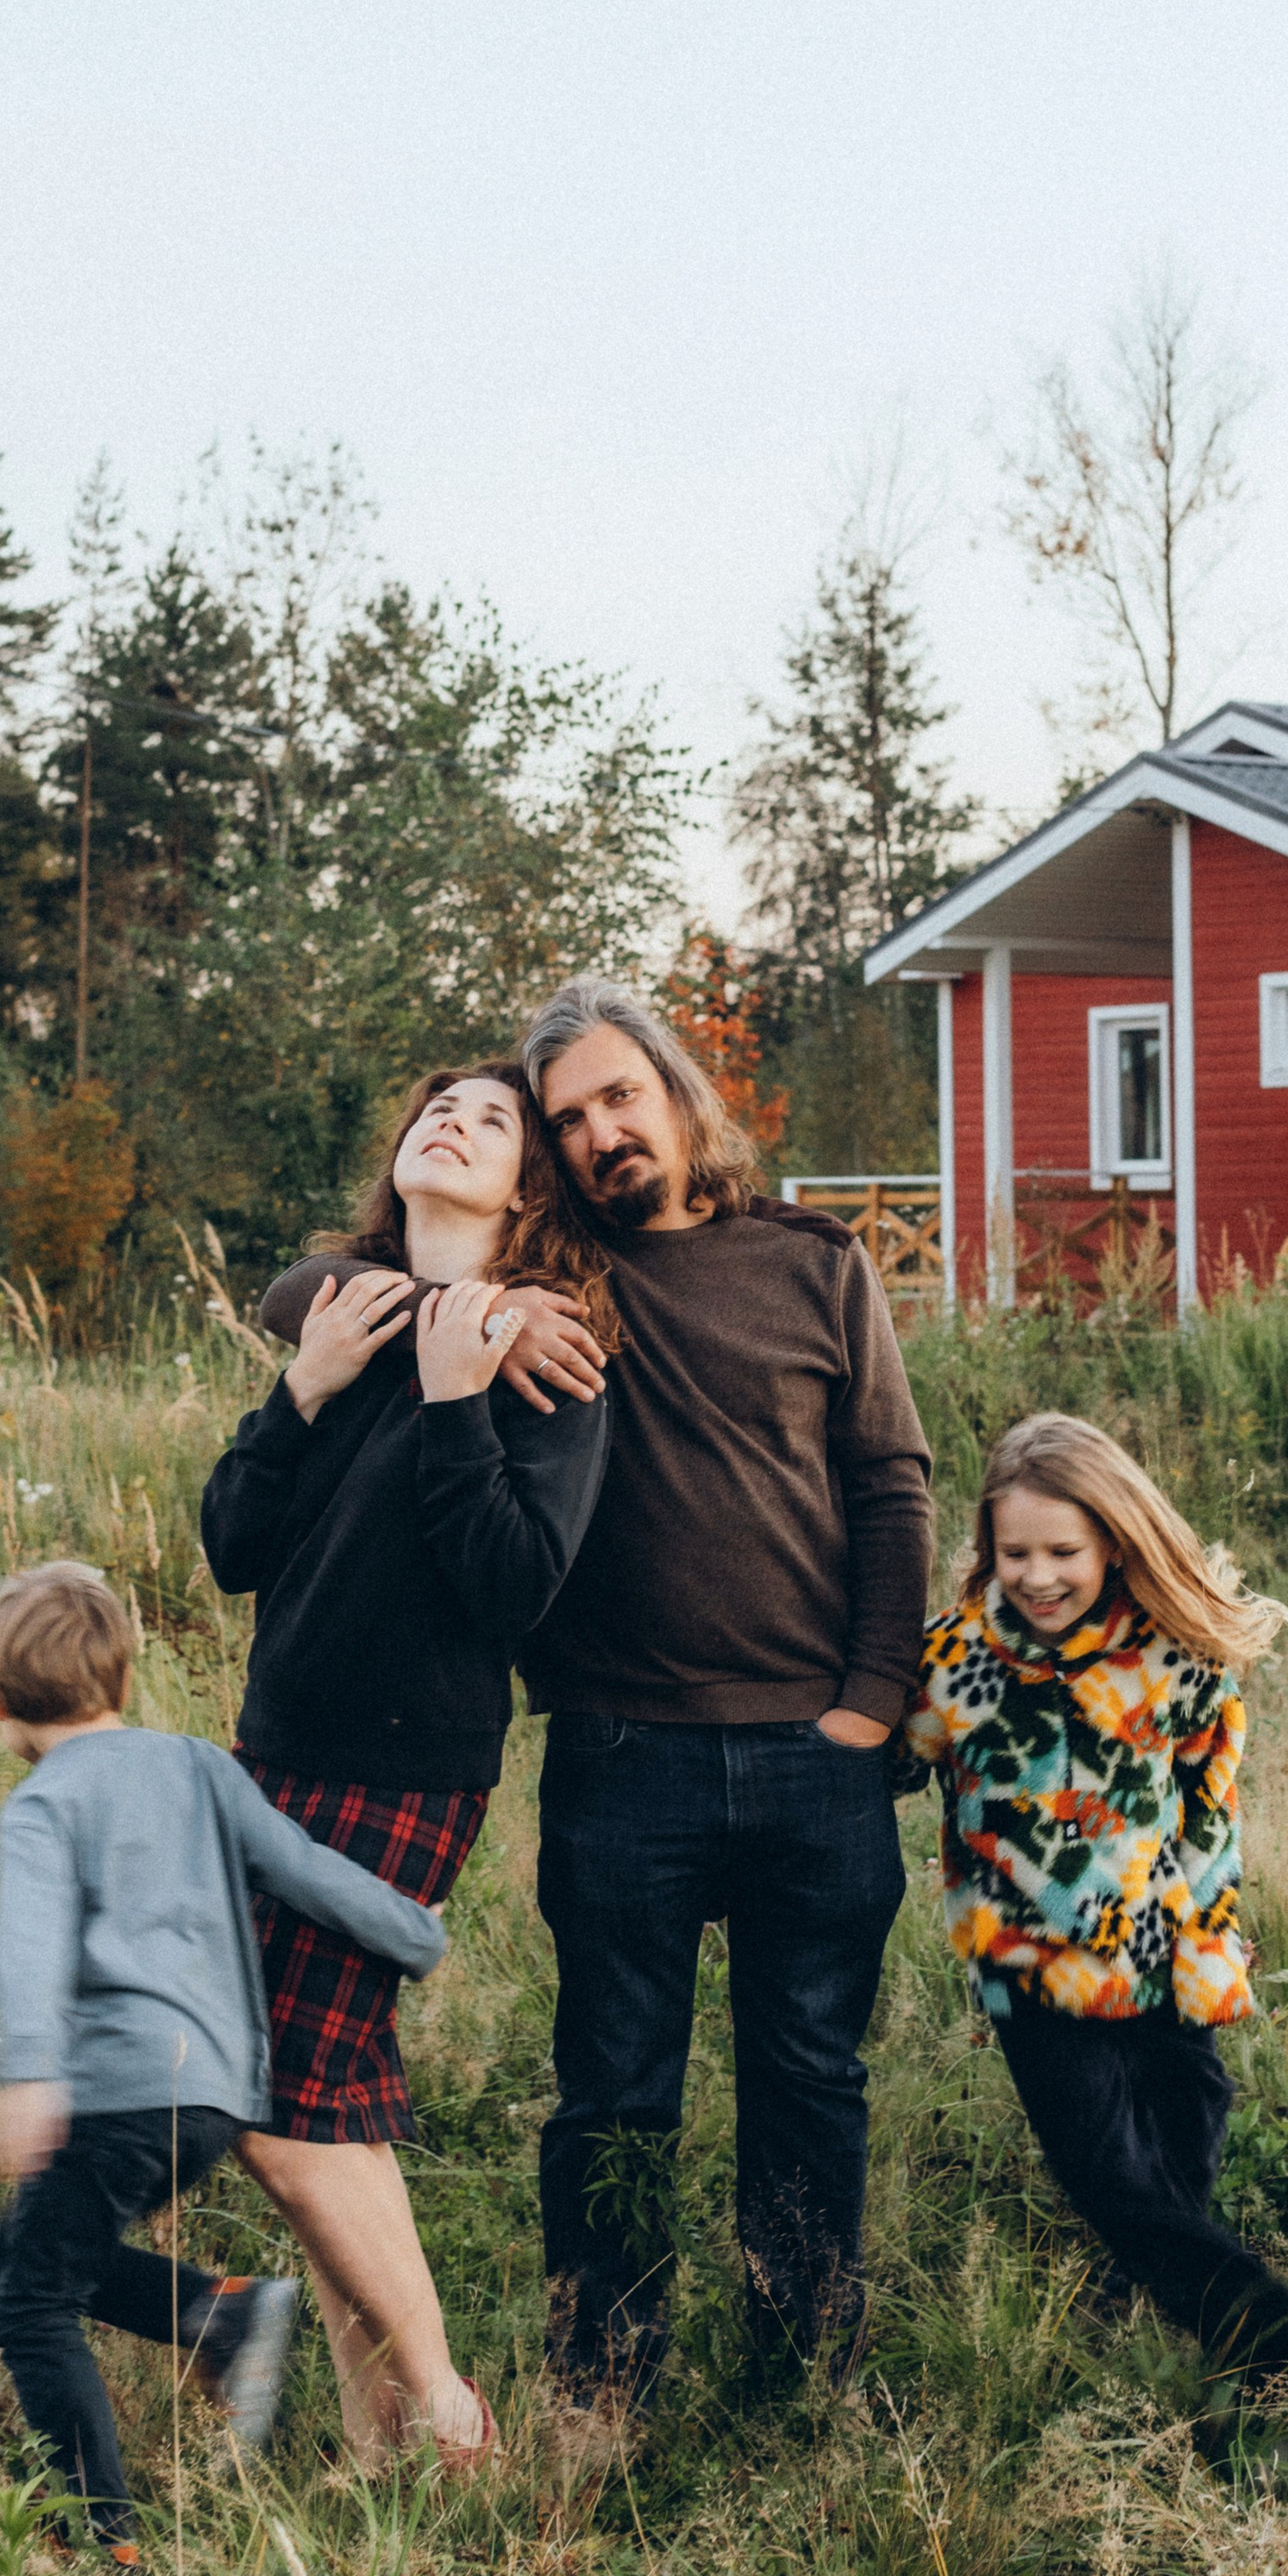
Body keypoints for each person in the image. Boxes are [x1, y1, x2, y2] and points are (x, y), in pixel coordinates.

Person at [260, 980, 935, 2427]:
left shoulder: (815, 1265)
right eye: (565, 1122)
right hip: (623, 1754)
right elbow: (296, 1292)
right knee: (614, 2095)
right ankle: (601, 2389)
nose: (601, 1132)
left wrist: (875, 1704)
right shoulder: (563, 1293)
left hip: (818, 1750)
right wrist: (486, 1304)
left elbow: (891, 1483)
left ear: (678, 1093)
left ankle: (799, 2376)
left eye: (620, 1096)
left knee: (810, 2078)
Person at [202, 1061, 611, 2463]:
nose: (454, 1121)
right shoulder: (343, 1317)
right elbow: (231, 1550)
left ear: (526, 1191)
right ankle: (386, 2439)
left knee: (277, 2106)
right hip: (270, 1752)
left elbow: (512, 1591)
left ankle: (442, 2409)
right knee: (316, 2107)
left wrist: (458, 1400)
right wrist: (300, 1394)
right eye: (438, 1108)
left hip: (401, 1770)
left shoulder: (548, 1364)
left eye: (494, 1120)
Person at [0, 1559, 447, 2558]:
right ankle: (219, 2317)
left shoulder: (43, 1803)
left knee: (30, 2307)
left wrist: (23, 2075)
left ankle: (103, 2536)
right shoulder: (197, 1764)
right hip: (220, 2096)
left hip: (113, 2093)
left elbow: (23, 1942)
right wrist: (413, 1932)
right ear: (119, 1679)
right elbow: (306, 1866)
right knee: (18, 2248)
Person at [895, 1414, 1288, 2384]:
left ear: (1115, 1542)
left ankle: (1125, 2322)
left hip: (1159, 1950)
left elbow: (1209, 1812)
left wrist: (1210, 1949)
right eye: (1015, 1551)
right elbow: (885, 1759)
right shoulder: (957, 1661)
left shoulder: (1175, 1657)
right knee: (1114, 2180)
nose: (1038, 1575)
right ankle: (1286, 2351)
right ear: (986, 1547)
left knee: (1185, 2141)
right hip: (1030, 1968)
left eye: (1063, 1550)